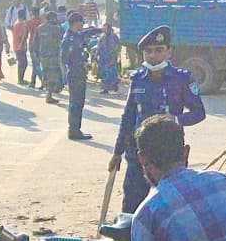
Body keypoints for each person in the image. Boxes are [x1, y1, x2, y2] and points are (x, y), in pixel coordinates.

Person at [109, 25, 206, 213]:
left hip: (169, 153)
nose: (153, 56)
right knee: (133, 202)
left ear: (169, 52)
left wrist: (176, 120)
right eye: (148, 51)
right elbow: (128, 116)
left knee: (172, 202)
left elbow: (198, 113)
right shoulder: (138, 79)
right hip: (139, 152)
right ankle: (131, 238)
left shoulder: (182, 78)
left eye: (159, 50)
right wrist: (117, 152)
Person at [60, 12, 100, 140]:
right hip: (75, 73)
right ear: (75, 23)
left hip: (80, 72)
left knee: (79, 102)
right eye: (81, 22)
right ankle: (73, 131)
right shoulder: (69, 39)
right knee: (76, 103)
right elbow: (64, 58)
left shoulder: (76, 35)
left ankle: (76, 129)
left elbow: (87, 33)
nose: (82, 24)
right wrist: (78, 63)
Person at [36, 12, 64, 104]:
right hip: (53, 55)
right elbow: (61, 37)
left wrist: (36, 54)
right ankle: (49, 95)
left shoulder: (40, 28)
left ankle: (50, 93)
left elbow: (35, 42)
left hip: (43, 54)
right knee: (53, 74)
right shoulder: (57, 28)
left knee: (46, 73)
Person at [96, 23, 122, 94]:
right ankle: (105, 89)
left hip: (111, 58)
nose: (104, 30)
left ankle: (114, 85)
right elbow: (99, 46)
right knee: (104, 73)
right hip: (103, 58)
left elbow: (118, 46)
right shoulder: (102, 37)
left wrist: (114, 54)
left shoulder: (114, 36)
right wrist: (97, 54)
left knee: (111, 73)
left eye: (105, 28)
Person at [26, 7, 45, 88]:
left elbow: (26, 34)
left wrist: (22, 44)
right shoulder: (42, 21)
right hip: (42, 44)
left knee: (35, 64)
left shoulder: (29, 22)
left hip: (32, 44)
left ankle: (42, 81)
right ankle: (33, 81)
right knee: (39, 64)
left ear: (32, 13)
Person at [11, 9, 29, 85]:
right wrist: (22, 45)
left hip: (17, 45)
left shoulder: (16, 23)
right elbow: (22, 36)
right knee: (23, 63)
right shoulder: (21, 24)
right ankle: (20, 79)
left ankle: (20, 78)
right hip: (20, 46)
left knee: (22, 63)